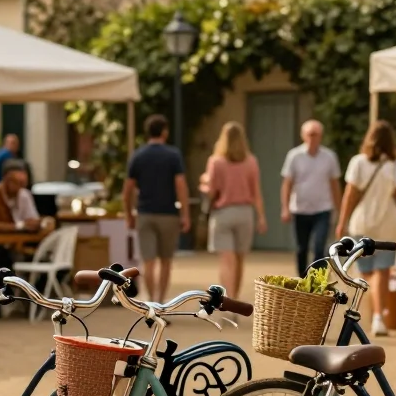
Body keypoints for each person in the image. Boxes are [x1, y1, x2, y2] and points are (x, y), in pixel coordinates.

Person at [335, 121, 396, 337]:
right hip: (387, 221)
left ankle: (371, 315)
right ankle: (379, 317)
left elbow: (350, 194)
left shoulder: (358, 162)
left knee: (366, 272)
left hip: (362, 221)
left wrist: (342, 221)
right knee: (382, 272)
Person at [123, 114, 190, 304]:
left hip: (145, 214)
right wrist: (185, 213)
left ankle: (150, 301)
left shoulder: (138, 156)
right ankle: (161, 301)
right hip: (169, 214)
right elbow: (181, 185)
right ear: (165, 132)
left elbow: (127, 191)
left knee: (148, 262)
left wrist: (129, 214)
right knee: (166, 261)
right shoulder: (173, 155)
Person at [204, 122, 266, 300]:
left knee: (226, 261)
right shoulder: (251, 161)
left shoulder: (215, 161)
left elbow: (212, 190)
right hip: (245, 213)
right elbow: (256, 192)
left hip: (223, 213)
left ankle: (225, 300)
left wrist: (204, 184)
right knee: (239, 261)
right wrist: (261, 217)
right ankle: (235, 298)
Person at [280, 120, 342, 277]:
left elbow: (335, 185)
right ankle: (302, 278)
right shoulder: (294, 156)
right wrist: (285, 208)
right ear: (303, 136)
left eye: (316, 135)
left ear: (321, 136)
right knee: (302, 248)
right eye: (310, 134)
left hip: (322, 209)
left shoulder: (329, 157)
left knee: (320, 246)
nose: (313, 138)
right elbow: (287, 184)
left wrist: (339, 209)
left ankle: (317, 280)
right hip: (300, 209)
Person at [0, 158, 42, 279]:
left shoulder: (24, 195)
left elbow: (33, 219)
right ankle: (6, 292)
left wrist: (37, 224)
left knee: (42, 257)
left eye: (23, 183)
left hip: (18, 245)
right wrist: (20, 226)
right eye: (16, 182)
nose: (19, 187)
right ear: (6, 180)